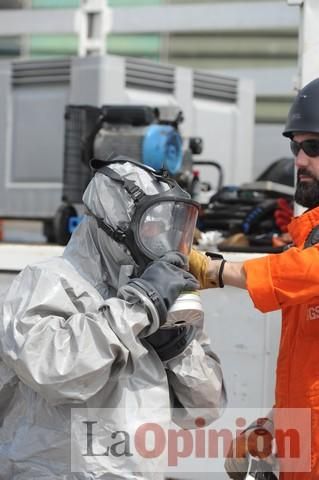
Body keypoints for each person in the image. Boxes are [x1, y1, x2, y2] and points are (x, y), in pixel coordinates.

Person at [0, 156, 226, 479]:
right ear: (114, 227)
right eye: (152, 228)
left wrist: (178, 350)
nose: (164, 244)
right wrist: (137, 308)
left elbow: (205, 411)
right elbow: (54, 370)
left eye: (173, 229)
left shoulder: (162, 298)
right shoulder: (47, 283)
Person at [189, 77, 319, 480]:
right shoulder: (309, 237)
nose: (299, 161)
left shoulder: (306, 260)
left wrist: (215, 269)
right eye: (295, 147)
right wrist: (274, 423)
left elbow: (306, 271)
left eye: (312, 147)